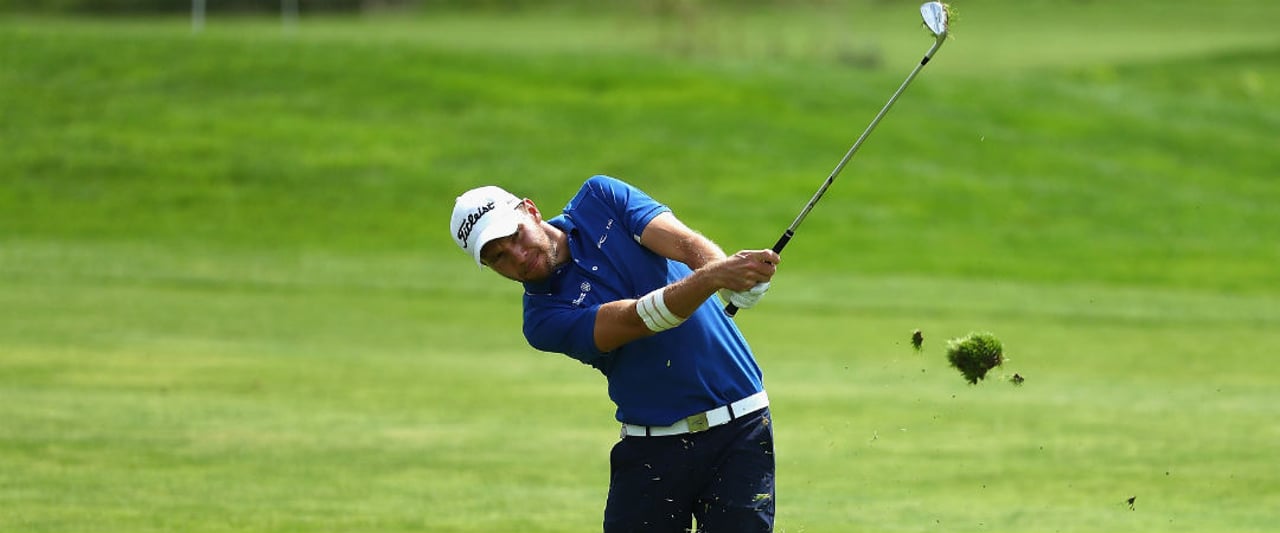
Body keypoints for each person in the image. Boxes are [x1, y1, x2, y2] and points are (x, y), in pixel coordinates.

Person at [449, 175, 780, 533]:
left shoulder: (600, 198)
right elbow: (640, 319)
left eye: (514, 236)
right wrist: (716, 277)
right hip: (653, 447)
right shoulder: (543, 320)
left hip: (742, 429)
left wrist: (735, 276)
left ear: (530, 210)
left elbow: (686, 245)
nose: (516, 256)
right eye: (498, 257)